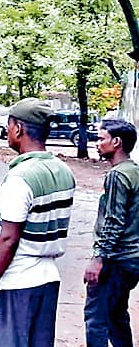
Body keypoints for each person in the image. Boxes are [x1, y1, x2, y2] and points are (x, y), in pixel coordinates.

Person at [0, 98, 75, 347]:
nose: (8, 131)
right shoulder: (63, 171)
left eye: (9, 126)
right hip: (47, 279)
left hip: (16, 283)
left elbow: (9, 238)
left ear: (18, 129)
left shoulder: (20, 178)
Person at [84, 119, 139, 347]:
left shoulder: (118, 176)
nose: (97, 143)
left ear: (116, 142)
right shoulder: (134, 171)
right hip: (132, 260)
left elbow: (114, 221)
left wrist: (98, 259)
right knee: (117, 315)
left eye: (101, 138)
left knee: (96, 319)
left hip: (115, 260)